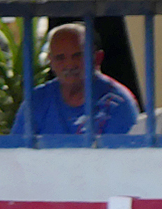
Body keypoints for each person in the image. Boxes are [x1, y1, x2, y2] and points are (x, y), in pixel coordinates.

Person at [10, 22, 138, 136]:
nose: (69, 64)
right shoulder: (36, 101)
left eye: (77, 56)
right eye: (60, 57)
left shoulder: (118, 102)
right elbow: (17, 153)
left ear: (97, 58)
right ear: (50, 61)